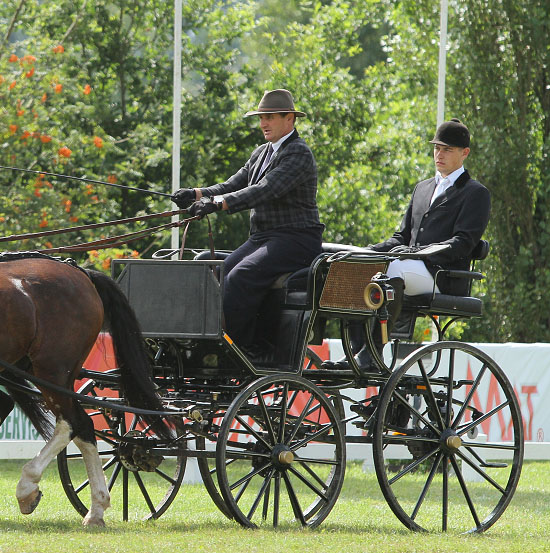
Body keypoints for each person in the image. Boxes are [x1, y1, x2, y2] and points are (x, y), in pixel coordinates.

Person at [322, 118, 491, 371]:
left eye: (447, 149)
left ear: (464, 153)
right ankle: (357, 351)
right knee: (359, 266)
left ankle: (372, 353)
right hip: (410, 268)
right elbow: (401, 237)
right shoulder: (422, 188)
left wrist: (416, 254)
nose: (439, 154)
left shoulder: (475, 193)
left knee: (395, 269)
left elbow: (462, 243)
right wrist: (367, 251)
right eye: (437, 148)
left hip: (441, 276)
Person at [171, 89, 323, 358]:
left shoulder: (298, 153)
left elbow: (264, 189)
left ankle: (240, 350)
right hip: (263, 238)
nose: (264, 123)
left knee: (242, 276)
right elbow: (233, 184)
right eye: (261, 117)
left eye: (270, 117)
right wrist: (196, 194)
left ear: (290, 119)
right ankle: (204, 342)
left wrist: (217, 204)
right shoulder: (260, 153)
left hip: (295, 239)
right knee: (218, 272)